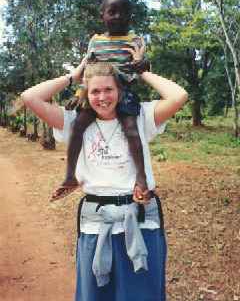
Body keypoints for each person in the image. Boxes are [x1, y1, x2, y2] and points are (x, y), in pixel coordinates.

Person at [21, 45, 188, 301]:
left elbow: (179, 96)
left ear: (119, 90)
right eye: (95, 91)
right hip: (96, 222)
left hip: (140, 219)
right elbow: (30, 97)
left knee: (141, 295)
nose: (102, 97)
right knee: (95, 295)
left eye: (108, 89)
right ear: (86, 93)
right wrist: (75, 75)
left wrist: (142, 70)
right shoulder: (74, 121)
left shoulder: (140, 115)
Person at [51, 0, 150, 202]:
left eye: (123, 12)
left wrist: (142, 64)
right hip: (95, 93)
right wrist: (80, 93)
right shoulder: (95, 41)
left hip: (123, 93)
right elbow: (88, 68)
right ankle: (70, 176)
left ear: (130, 16)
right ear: (102, 15)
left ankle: (141, 177)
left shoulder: (135, 40)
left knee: (131, 131)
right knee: (77, 127)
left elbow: (143, 64)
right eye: (112, 12)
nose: (117, 16)